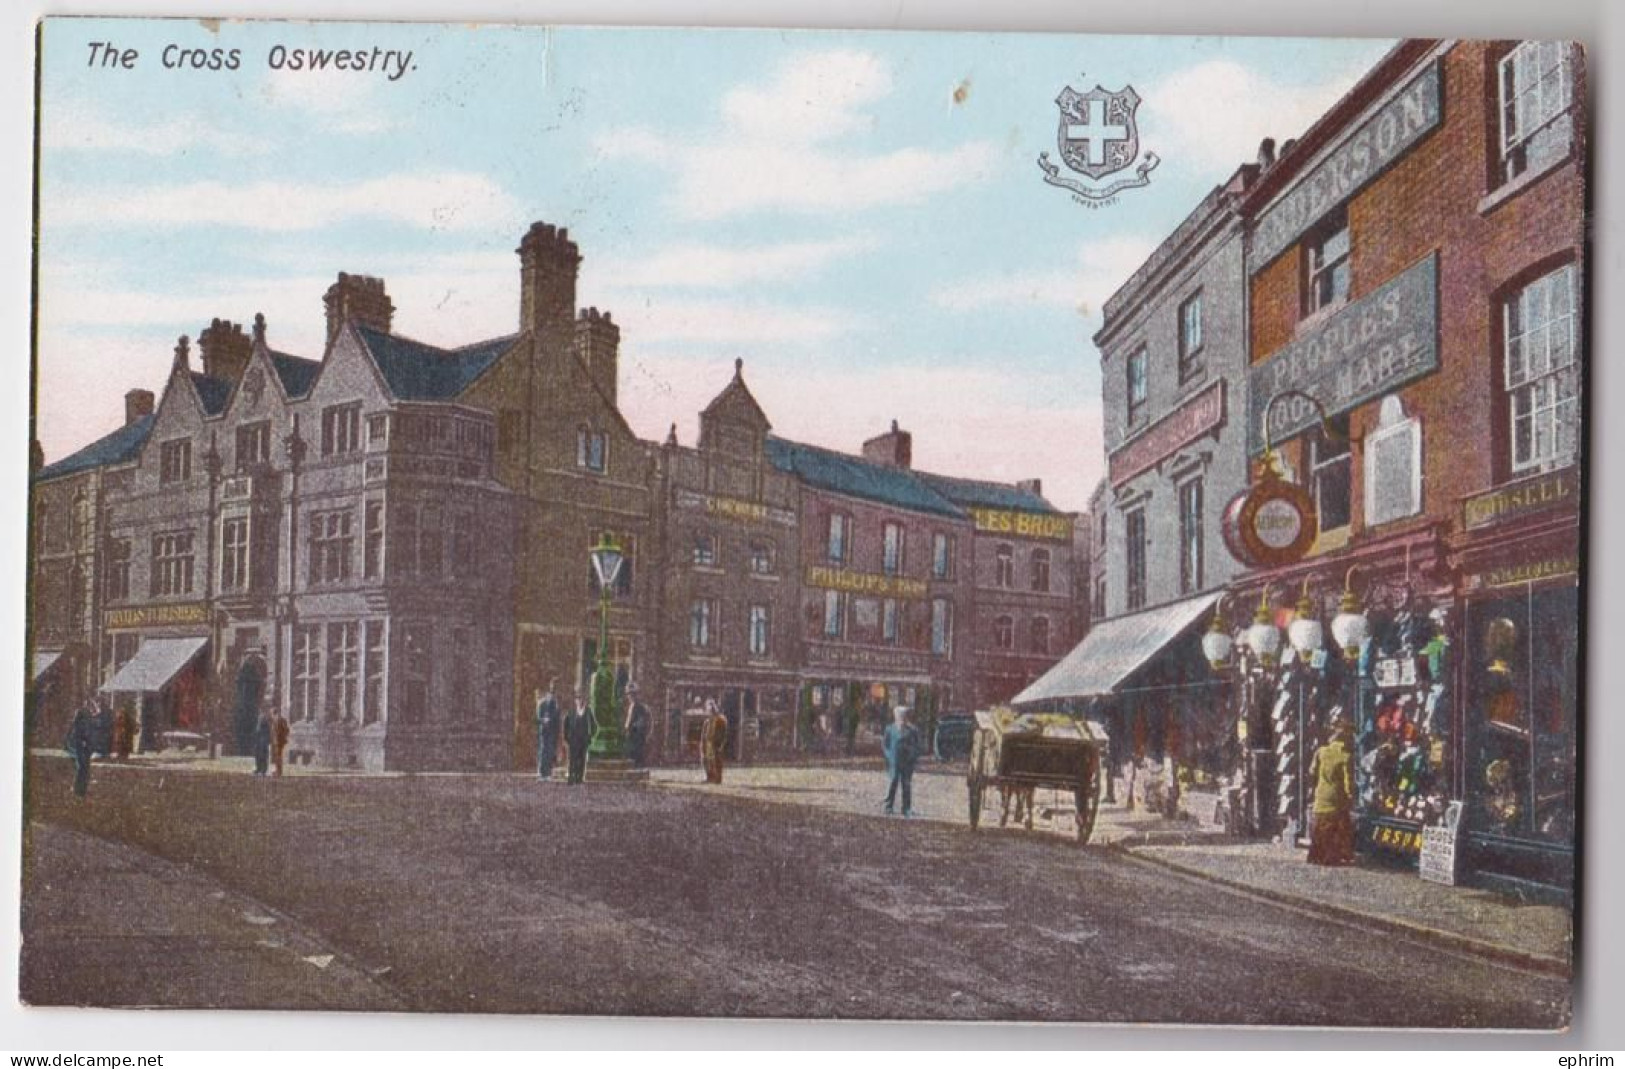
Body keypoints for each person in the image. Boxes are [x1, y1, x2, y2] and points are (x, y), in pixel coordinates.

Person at [1308, 713, 1357, 866]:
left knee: (1320, 826)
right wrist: (1351, 796)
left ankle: (1317, 856)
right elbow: (1348, 781)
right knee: (1339, 826)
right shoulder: (1345, 756)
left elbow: (1312, 771)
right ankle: (1334, 856)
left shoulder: (1321, 751)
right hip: (1336, 797)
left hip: (1321, 795)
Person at [882, 705, 924, 817]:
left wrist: (913, 755)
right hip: (894, 761)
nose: (901, 718)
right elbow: (885, 745)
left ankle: (906, 808)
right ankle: (888, 806)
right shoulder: (890, 729)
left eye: (903, 716)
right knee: (893, 782)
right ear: (895, 716)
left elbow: (918, 745)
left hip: (907, 762)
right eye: (899, 716)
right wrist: (889, 756)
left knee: (906, 784)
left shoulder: (913, 730)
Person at [563, 686, 596, 785]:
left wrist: (590, 736)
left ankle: (579, 778)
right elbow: (566, 725)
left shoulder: (588, 711)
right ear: (575, 701)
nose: (579, 701)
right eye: (577, 699)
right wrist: (566, 737)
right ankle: (571, 777)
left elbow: (594, 725)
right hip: (573, 739)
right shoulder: (571, 712)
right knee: (572, 759)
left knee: (581, 759)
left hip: (583, 739)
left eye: (581, 699)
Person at [65, 703, 95, 798]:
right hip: (78, 747)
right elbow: (73, 740)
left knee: (83, 768)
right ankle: (78, 789)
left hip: (80, 748)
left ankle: (80, 790)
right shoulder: (78, 726)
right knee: (82, 768)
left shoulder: (78, 725)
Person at [534, 679, 562, 781]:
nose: (551, 696)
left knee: (550, 752)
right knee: (543, 751)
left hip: (552, 732)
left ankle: (548, 773)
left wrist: (557, 731)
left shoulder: (555, 705)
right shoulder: (541, 704)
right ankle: (542, 773)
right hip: (544, 731)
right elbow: (537, 719)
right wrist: (543, 720)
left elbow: (557, 719)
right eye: (549, 694)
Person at [700, 699, 729, 784]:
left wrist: (720, 744)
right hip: (708, 743)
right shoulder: (707, 721)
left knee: (716, 760)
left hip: (715, 743)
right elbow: (704, 734)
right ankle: (709, 777)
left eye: (710, 708)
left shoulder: (720, 720)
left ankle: (717, 778)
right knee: (707, 761)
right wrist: (703, 744)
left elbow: (723, 734)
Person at [623, 682, 651, 769]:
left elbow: (642, 723)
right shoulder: (630, 706)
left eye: (632, 694)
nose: (629, 697)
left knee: (637, 757)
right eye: (628, 694)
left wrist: (632, 729)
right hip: (630, 736)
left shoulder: (641, 707)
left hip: (636, 737)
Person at [270, 698, 291, 778]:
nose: (271, 715)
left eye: (271, 713)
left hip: (278, 741)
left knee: (278, 756)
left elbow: (285, 730)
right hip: (278, 741)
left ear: (274, 713)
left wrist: (281, 737)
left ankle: (278, 772)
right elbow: (287, 730)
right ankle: (278, 771)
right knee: (278, 756)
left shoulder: (279, 720)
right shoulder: (280, 719)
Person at [252, 704, 272, 776]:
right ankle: (258, 768)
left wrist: (266, 740)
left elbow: (267, 730)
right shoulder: (259, 718)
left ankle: (263, 770)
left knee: (263, 754)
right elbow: (257, 729)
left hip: (263, 739)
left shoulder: (265, 718)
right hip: (259, 739)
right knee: (257, 754)